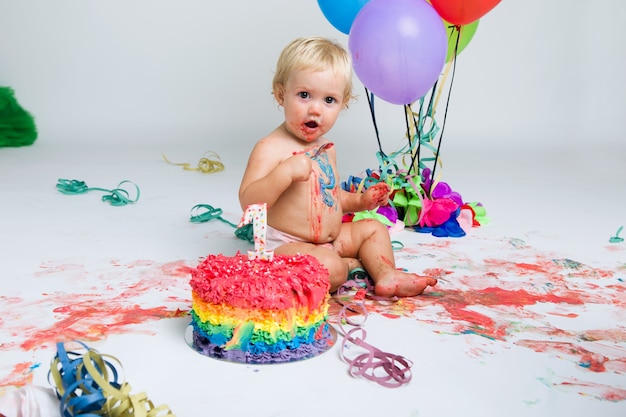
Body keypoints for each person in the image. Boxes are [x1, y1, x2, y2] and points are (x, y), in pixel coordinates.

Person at [238, 37, 437, 297]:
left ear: (343, 104)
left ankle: (386, 274)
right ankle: (348, 268)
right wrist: (283, 173)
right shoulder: (270, 147)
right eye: (304, 95)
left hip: (329, 240)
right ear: (280, 94)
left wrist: (360, 201)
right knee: (332, 268)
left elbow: (330, 198)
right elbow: (249, 203)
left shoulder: (326, 148)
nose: (315, 109)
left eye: (329, 100)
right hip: (285, 245)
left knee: (373, 229)